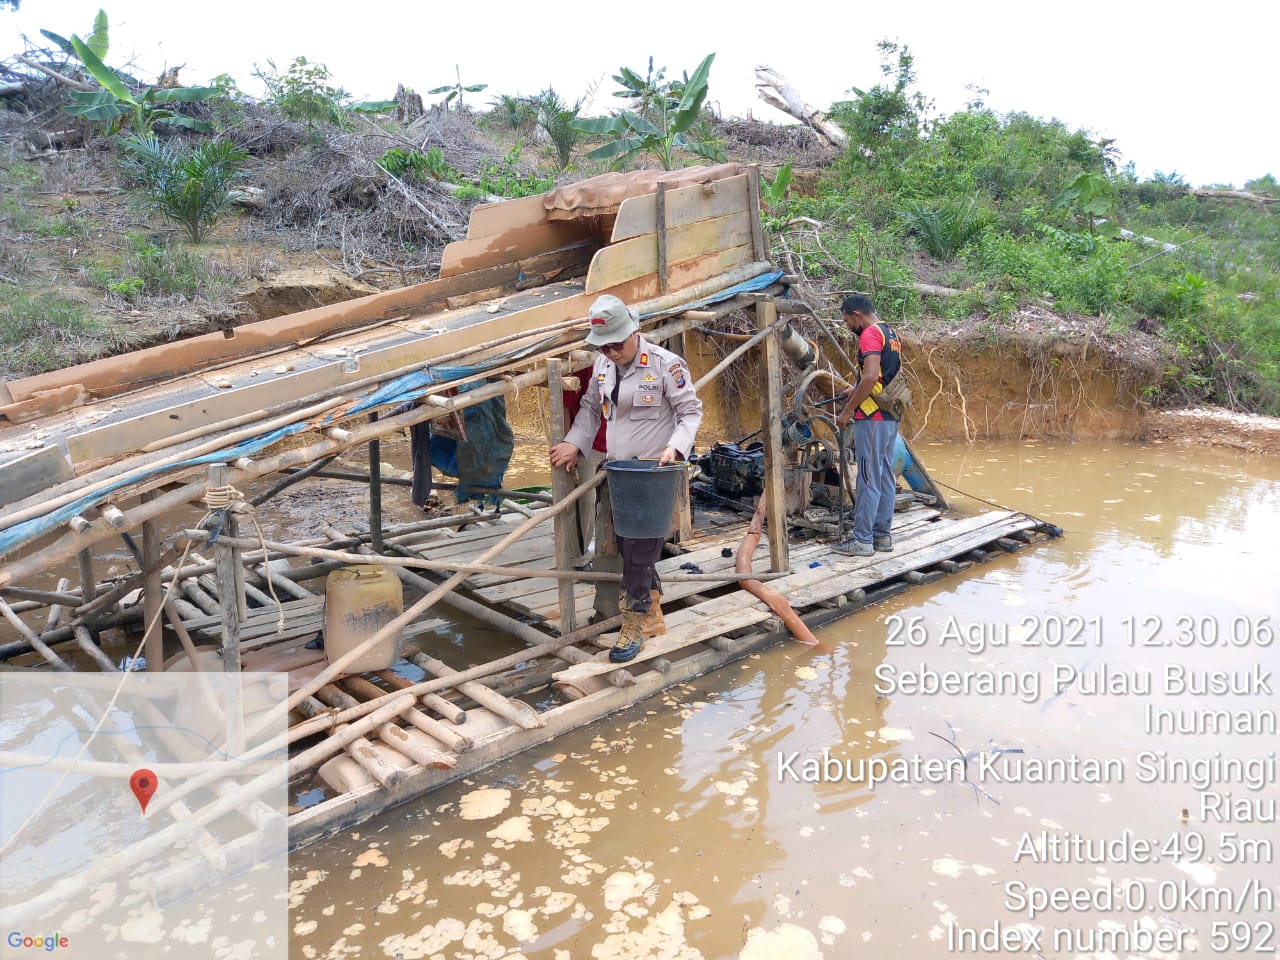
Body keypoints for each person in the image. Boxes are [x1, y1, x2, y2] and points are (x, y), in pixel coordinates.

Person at [550, 294, 703, 663]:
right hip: (619, 473)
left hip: (654, 473)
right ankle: (652, 614)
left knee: (638, 553)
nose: (612, 351)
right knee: (627, 546)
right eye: (604, 346)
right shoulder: (603, 367)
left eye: (617, 344)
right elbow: (590, 409)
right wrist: (575, 443)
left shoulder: (667, 365)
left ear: (635, 333)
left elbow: (690, 412)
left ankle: (632, 625)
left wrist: (676, 449)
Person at [834, 294, 903, 558]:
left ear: (857, 315)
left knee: (867, 478)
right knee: (884, 476)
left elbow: (872, 375)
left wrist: (848, 410)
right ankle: (882, 537)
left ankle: (862, 540)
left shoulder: (870, 335)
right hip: (889, 416)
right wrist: (854, 389)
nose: (848, 327)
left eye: (847, 321)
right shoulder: (891, 333)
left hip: (872, 418)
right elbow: (882, 377)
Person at [561, 361, 608, 568]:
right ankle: (578, 558)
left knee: (613, 501)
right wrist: (568, 443)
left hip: (618, 444)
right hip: (587, 446)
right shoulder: (584, 362)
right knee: (584, 502)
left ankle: (609, 550)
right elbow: (565, 407)